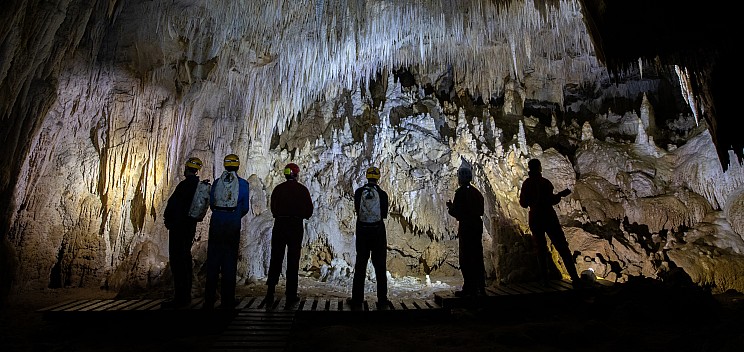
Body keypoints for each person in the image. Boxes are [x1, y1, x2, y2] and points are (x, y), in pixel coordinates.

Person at [519, 158, 581, 286]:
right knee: (561, 246)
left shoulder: (527, 184)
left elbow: (523, 204)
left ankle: (544, 279)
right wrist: (559, 196)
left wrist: (533, 201)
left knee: (540, 248)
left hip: (535, 217)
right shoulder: (545, 182)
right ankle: (574, 276)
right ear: (540, 168)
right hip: (548, 215)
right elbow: (552, 200)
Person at [203, 153, 250, 309]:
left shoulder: (217, 183)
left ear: (224, 165)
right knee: (229, 261)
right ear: (237, 166)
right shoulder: (243, 184)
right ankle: (227, 299)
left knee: (213, 261)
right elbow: (245, 208)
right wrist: (234, 215)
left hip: (216, 225)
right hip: (232, 226)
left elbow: (212, 203)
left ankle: (209, 298)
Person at [264, 163, 314, 305]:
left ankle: (270, 291)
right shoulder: (302, 190)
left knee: (276, 257)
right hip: (295, 225)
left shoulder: (278, 189)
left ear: (285, 175)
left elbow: (273, 208)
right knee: (293, 259)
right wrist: (300, 214)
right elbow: (309, 210)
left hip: (280, 224)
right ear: (297, 175)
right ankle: (291, 294)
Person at [162, 157, 203, 308]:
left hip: (178, 227)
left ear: (187, 168)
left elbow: (174, 204)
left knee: (178, 260)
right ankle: (186, 295)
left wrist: (169, 220)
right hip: (189, 227)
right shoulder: (198, 186)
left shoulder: (185, 185)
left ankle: (180, 297)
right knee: (185, 258)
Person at [348, 166, 390, 309]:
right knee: (380, 266)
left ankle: (357, 299)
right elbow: (384, 213)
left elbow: (357, 211)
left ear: (367, 177)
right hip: (377, 232)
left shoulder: (359, 192)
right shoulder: (382, 194)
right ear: (378, 178)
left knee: (360, 265)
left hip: (362, 232)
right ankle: (382, 299)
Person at [446, 164, 487, 297]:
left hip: (466, 226)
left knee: (466, 257)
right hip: (476, 225)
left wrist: (450, 207)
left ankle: (469, 288)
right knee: (477, 256)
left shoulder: (461, 192)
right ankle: (481, 287)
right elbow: (480, 210)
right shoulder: (476, 192)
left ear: (461, 178)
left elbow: (457, 211)